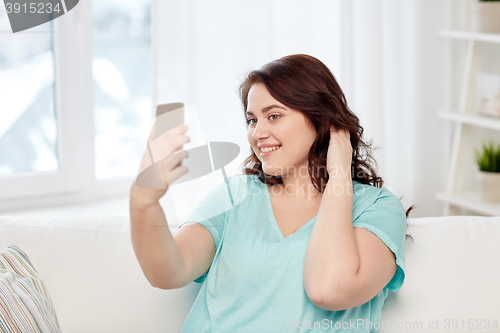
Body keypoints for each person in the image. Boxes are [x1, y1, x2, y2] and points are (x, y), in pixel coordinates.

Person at [130, 54, 413, 333]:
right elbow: (169, 272)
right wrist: (144, 202)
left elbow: (329, 290)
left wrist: (339, 177)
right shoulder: (234, 194)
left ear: (323, 120)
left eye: (274, 116)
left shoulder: (377, 208)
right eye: (252, 120)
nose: (257, 133)